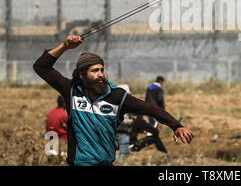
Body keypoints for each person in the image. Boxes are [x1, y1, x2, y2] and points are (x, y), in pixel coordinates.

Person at [33, 35, 193, 166]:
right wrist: (65, 46)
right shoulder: (71, 90)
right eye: (95, 71)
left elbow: (150, 109)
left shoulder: (117, 96)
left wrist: (176, 126)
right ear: (82, 75)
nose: (101, 74)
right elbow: (41, 67)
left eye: (102, 70)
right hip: (78, 163)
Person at [115, 84, 133, 162]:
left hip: (118, 132)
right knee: (124, 152)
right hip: (122, 132)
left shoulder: (114, 103)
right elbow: (121, 121)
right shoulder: (121, 105)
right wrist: (132, 121)